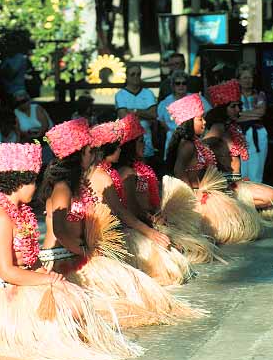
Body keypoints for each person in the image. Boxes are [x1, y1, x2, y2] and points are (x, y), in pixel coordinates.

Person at [0, 142, 140, 360]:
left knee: (76, 301)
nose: (36, 186)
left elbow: (31, 259)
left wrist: (46, 274)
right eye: (32, 181)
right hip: (1, 294)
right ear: (18, 181)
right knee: (66, 311)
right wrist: (46, 281)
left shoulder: (21, 213)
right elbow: (6, 271)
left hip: (20, 283)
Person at [40, 119, 199, 328]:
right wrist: (85, 250)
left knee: (144, 295)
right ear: (78, 155)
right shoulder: (63, 188)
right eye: (89, 151)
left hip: (81, 254)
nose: (93, 154)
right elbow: (60, 231)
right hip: (64, 261)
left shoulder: (79, 184)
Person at [89, 116, 192, 286]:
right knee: (169, 268)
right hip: (111, 233)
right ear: (105, 149)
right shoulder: (110, 175)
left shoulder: (108, 172)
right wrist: (151, 229)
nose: (120, 149)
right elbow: (124, 210)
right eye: (116, 146)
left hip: (124, 225)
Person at [116, 113, 224, 265]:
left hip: (150, 218)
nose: (145, 144)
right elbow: (132, 208)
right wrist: (152, 221)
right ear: (130, 146)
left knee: (202, 244)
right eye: (140, 141)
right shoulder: (127, 172)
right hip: (138, 224)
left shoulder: (140, 168)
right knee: (189, 248)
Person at [166, 92, 262, 244]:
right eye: (200, 119)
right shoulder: (187, 145)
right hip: (198, 196)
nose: (204, 122)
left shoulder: (195, 143)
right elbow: (178, 171)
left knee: (243, 226)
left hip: (209, 193)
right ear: (189, 122)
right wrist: (190, 198)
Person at [205, 79, 273, 210]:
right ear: (222, 109)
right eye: (233, 106)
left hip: (237, 182)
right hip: (227, 185)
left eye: (239, 106)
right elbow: (202, 147)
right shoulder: (219, 127)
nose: (238, 110)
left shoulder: (231, 126)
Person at [158, 70, 211, 161]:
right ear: (173, 86)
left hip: (195, 138)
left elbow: (209, 112)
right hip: (173, 138)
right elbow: (160, 120)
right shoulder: (165, 102)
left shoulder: (196, 98)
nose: (181, 86)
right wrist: (170, 131)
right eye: (177, 83)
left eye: (184, 83)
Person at [115, 63, 156, 161]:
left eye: (138, 74)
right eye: (132, 74)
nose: (136, 77)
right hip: (128, 139)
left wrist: (133, 111)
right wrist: (145, 113)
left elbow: (153, 114)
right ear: (127, 76)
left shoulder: (148, 93)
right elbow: (123, 117)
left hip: (146, 138)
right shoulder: (120, 94)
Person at [236, 63, 268, 183]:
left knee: (257, 169)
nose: (248, 81)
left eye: (250, 77)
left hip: (258, 133)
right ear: (238, 80)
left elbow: (261, 113)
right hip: (240, 134)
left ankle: (257, 199)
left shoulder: (259, 94)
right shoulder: (235, 97)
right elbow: (235, 117)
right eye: (245, 78)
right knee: (243, 170)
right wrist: (253, 114)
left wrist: (242, 114)